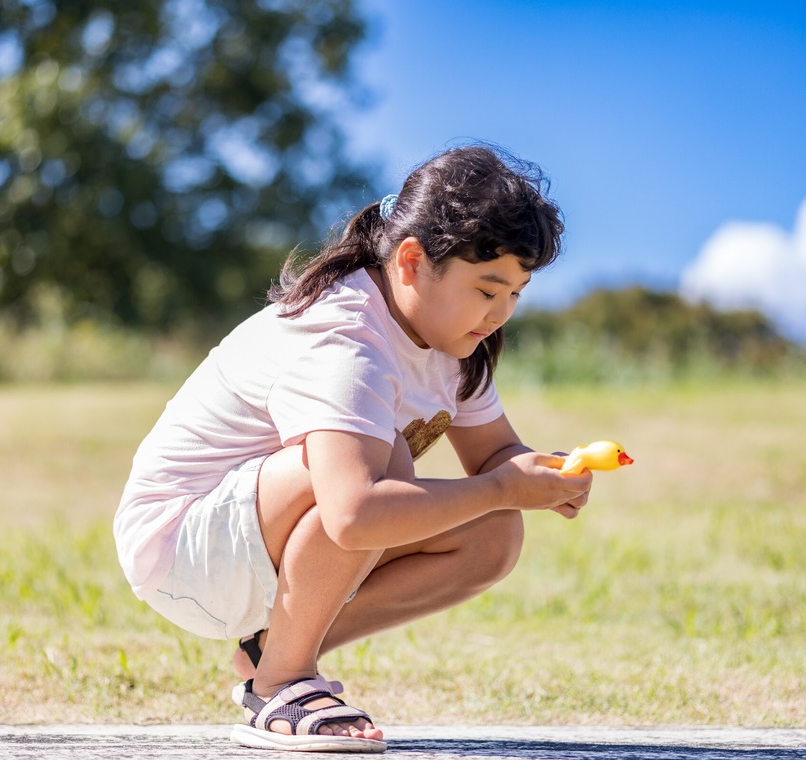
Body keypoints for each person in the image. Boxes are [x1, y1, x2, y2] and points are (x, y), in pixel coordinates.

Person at [113, 145, 592, 752]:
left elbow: (496, 458)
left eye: (516, 294)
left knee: (493, 531)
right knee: (385, 463)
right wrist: (501, 487)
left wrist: (538, 476)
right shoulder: (346, 336)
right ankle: (281, 682)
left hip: (254, 544)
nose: (500, 314)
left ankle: (271, 650)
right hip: (181, 548)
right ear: (412, 261)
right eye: (487, 289)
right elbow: (355, 513)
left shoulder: (454, 342)